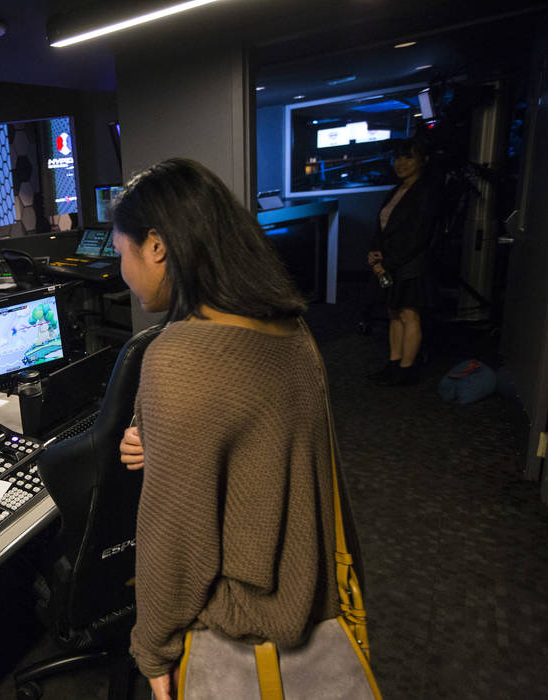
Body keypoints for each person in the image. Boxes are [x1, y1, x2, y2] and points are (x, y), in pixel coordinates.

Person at [112, 158, 348, 700]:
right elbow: (261, 449)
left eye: (121, 250)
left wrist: (152, 648)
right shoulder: (291, 328)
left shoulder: (177, 356)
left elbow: (175, 540)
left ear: (156, 245)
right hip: (306, 595)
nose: (122, 270)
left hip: (242, 628)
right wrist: (162, 441)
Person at [366, 138, 440, 386]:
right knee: (393, 314)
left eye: (408, 157)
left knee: (409, 315)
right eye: (397, 158)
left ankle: (406, 369)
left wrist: (387, 262)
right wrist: (374, 251)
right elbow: (383, 227)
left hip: (410, 266)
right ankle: (393, 363)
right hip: (390, 263)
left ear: (423, 161)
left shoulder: (426, 193)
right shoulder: (395, 191)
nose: (400, 163)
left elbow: (418, 236)